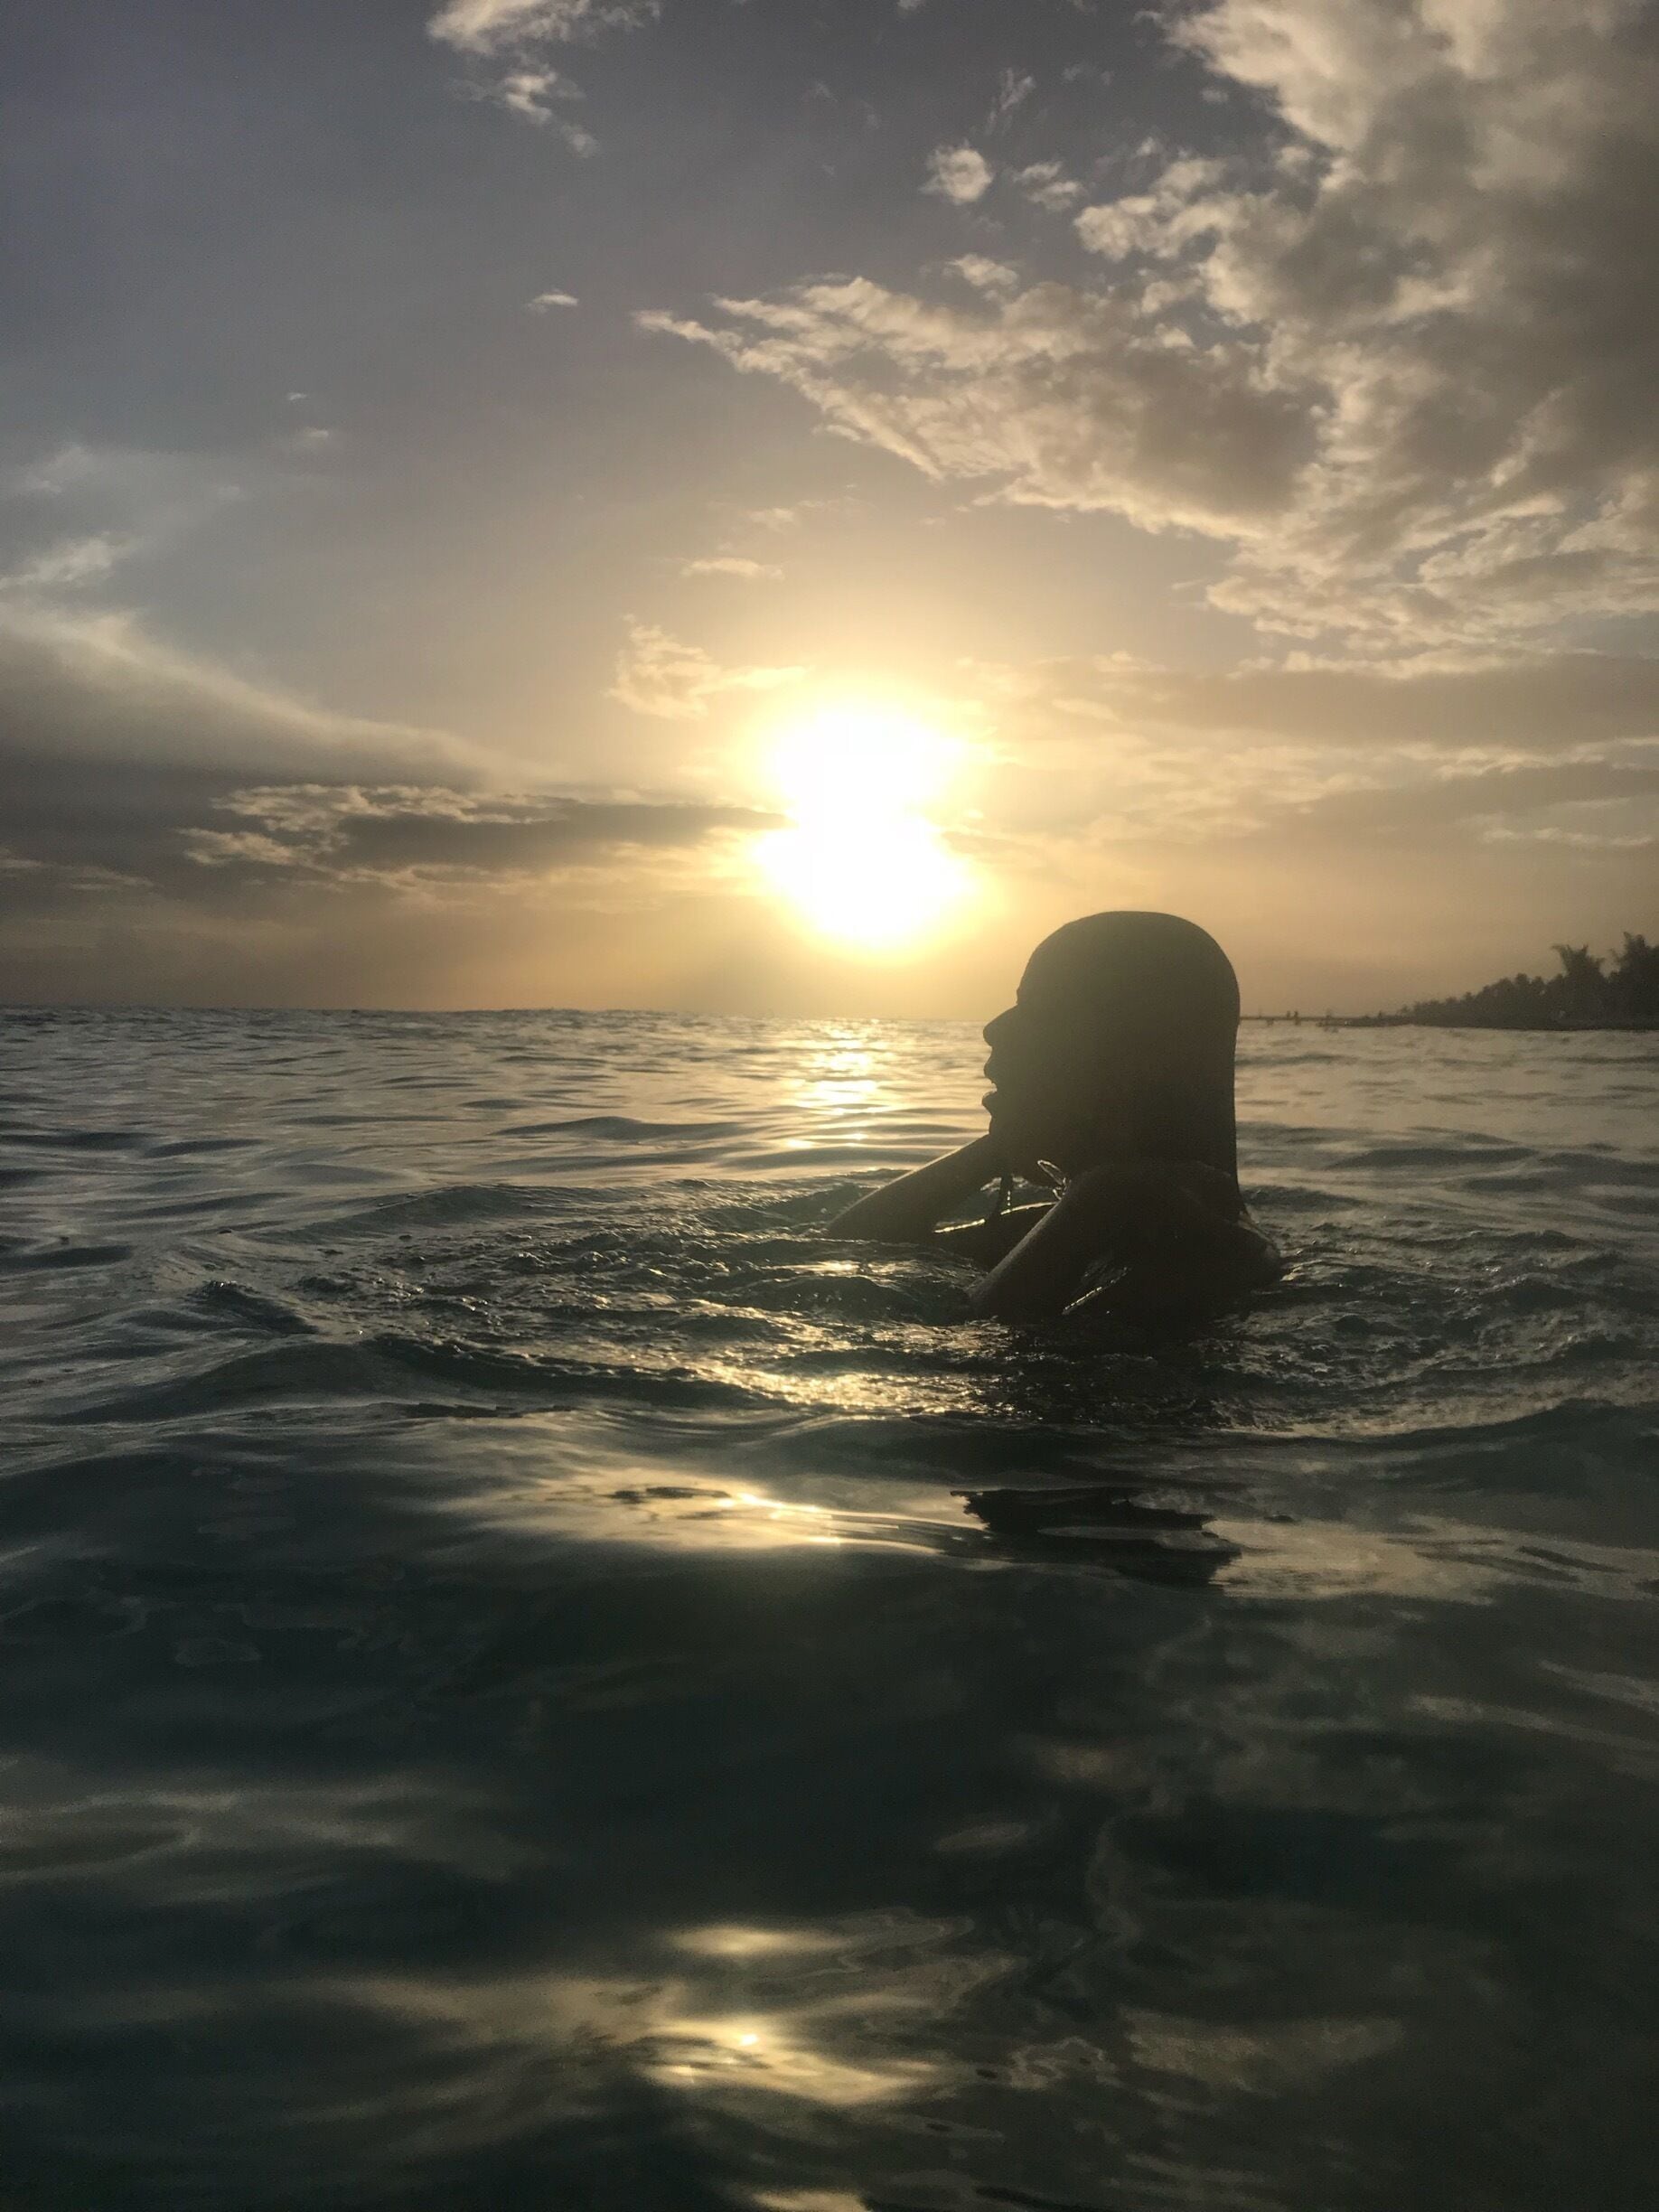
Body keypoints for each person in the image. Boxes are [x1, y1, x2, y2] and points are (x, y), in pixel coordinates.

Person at [831, 911, 1279, 1324]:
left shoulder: (1208, 1262)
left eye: (1040, 1010)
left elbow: (974, 1343)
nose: (995, 1029)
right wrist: (1001, 1148)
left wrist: (1097, 1200)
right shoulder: (1081, 1224)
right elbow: (851, 1248)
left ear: (1135, 1058)